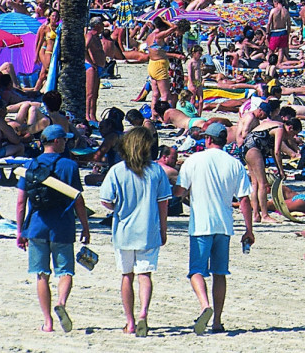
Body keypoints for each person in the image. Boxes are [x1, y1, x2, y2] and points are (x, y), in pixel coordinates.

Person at [176, 122, 255, 335]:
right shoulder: (235, 164)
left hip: (201, 225)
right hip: (224, 225)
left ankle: (204, 305)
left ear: (208, 139)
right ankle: (217, 321)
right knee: (220, 273)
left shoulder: (194, 160)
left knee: (196, 271)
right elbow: (244, 200)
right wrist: (249, 229)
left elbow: (180, 191)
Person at [15, 125, 90, 334]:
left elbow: (21, 202)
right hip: (62, 225)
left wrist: (20, 231)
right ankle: (61, 303)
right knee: (65, 271)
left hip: (36, 226)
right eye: (64, 140)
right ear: (56, 141)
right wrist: (85, 227)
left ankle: (47, 322)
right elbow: (78, 200)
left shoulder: (30, 165)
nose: (66, 143)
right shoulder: (69, 165)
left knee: (41, 274)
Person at [99, 127, 172, 336]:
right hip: (148, 230)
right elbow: (163, 204)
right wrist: (163, 230)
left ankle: (130, 322)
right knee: (145, 275)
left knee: (126, 276)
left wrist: (118, 207)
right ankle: (143, 314)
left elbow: (105, 200)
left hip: (123, 231)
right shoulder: (157, 171)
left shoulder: (117, 171)